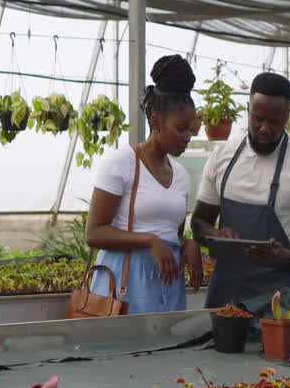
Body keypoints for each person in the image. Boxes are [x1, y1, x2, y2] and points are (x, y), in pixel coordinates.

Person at [191, 72, 290, 308]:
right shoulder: (222, 156)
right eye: (257, 118)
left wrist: (289, 257)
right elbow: (198, 222)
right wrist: (216, 236)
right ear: (248, 109)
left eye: (274, 122)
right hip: (224, 299)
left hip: (280, 301)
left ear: (287, 116)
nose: (264, 128)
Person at [84, 55, 204, 313]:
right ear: (155, 121)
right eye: (181, 128)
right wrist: (148, 241)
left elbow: (170, 234)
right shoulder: (121, 163)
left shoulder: (181, 175)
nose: (187, 137)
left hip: (166, 288)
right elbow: (94, 233)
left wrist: (188, 244)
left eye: (191, 129)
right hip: (124, 288)